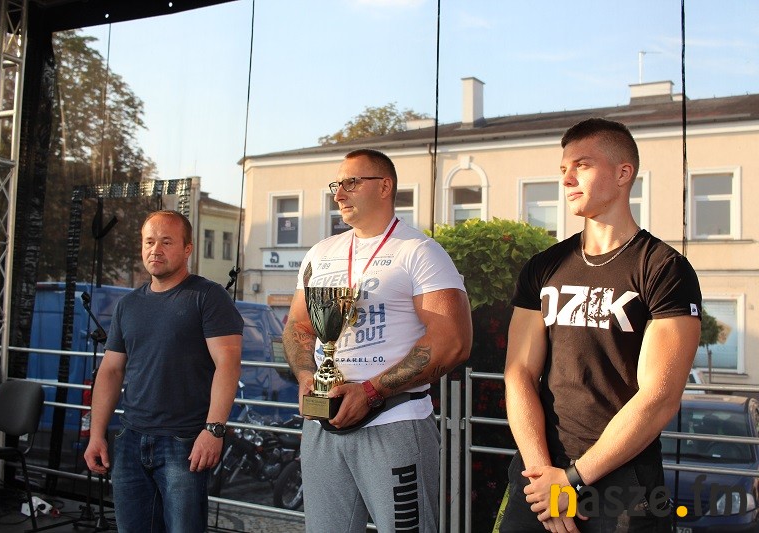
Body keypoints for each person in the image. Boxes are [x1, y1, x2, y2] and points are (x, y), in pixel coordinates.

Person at [498, 118, 702, 533]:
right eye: (563, 169)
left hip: (623, 485)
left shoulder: (663, 269)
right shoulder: (543, 267)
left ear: (623, 173)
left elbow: (660, 397)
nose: (567, 179)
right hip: (539, 475)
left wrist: (572, 480)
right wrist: (544, 477)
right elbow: (518, 373)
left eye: (583, 165)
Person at [282, 148, 473, 532]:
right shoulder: (321, 253)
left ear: (385, 187)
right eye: (336, 185)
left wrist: (371, 391)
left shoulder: (419, 251)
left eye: (351, 183)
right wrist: (306, 377)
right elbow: (298, 325)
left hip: (394, 420)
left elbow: (453, 341)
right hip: (323, 422)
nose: (339, 194)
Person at [83, 210, 243, 533]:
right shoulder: (127, 305)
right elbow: (111, 371)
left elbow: (228, 364)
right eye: (149, 241)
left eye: (166, 242)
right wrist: (96, 434)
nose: (155, 249)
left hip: (184, 442)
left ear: (187, 249)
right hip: (130, 440)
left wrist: (214, 430)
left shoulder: (208, 297)